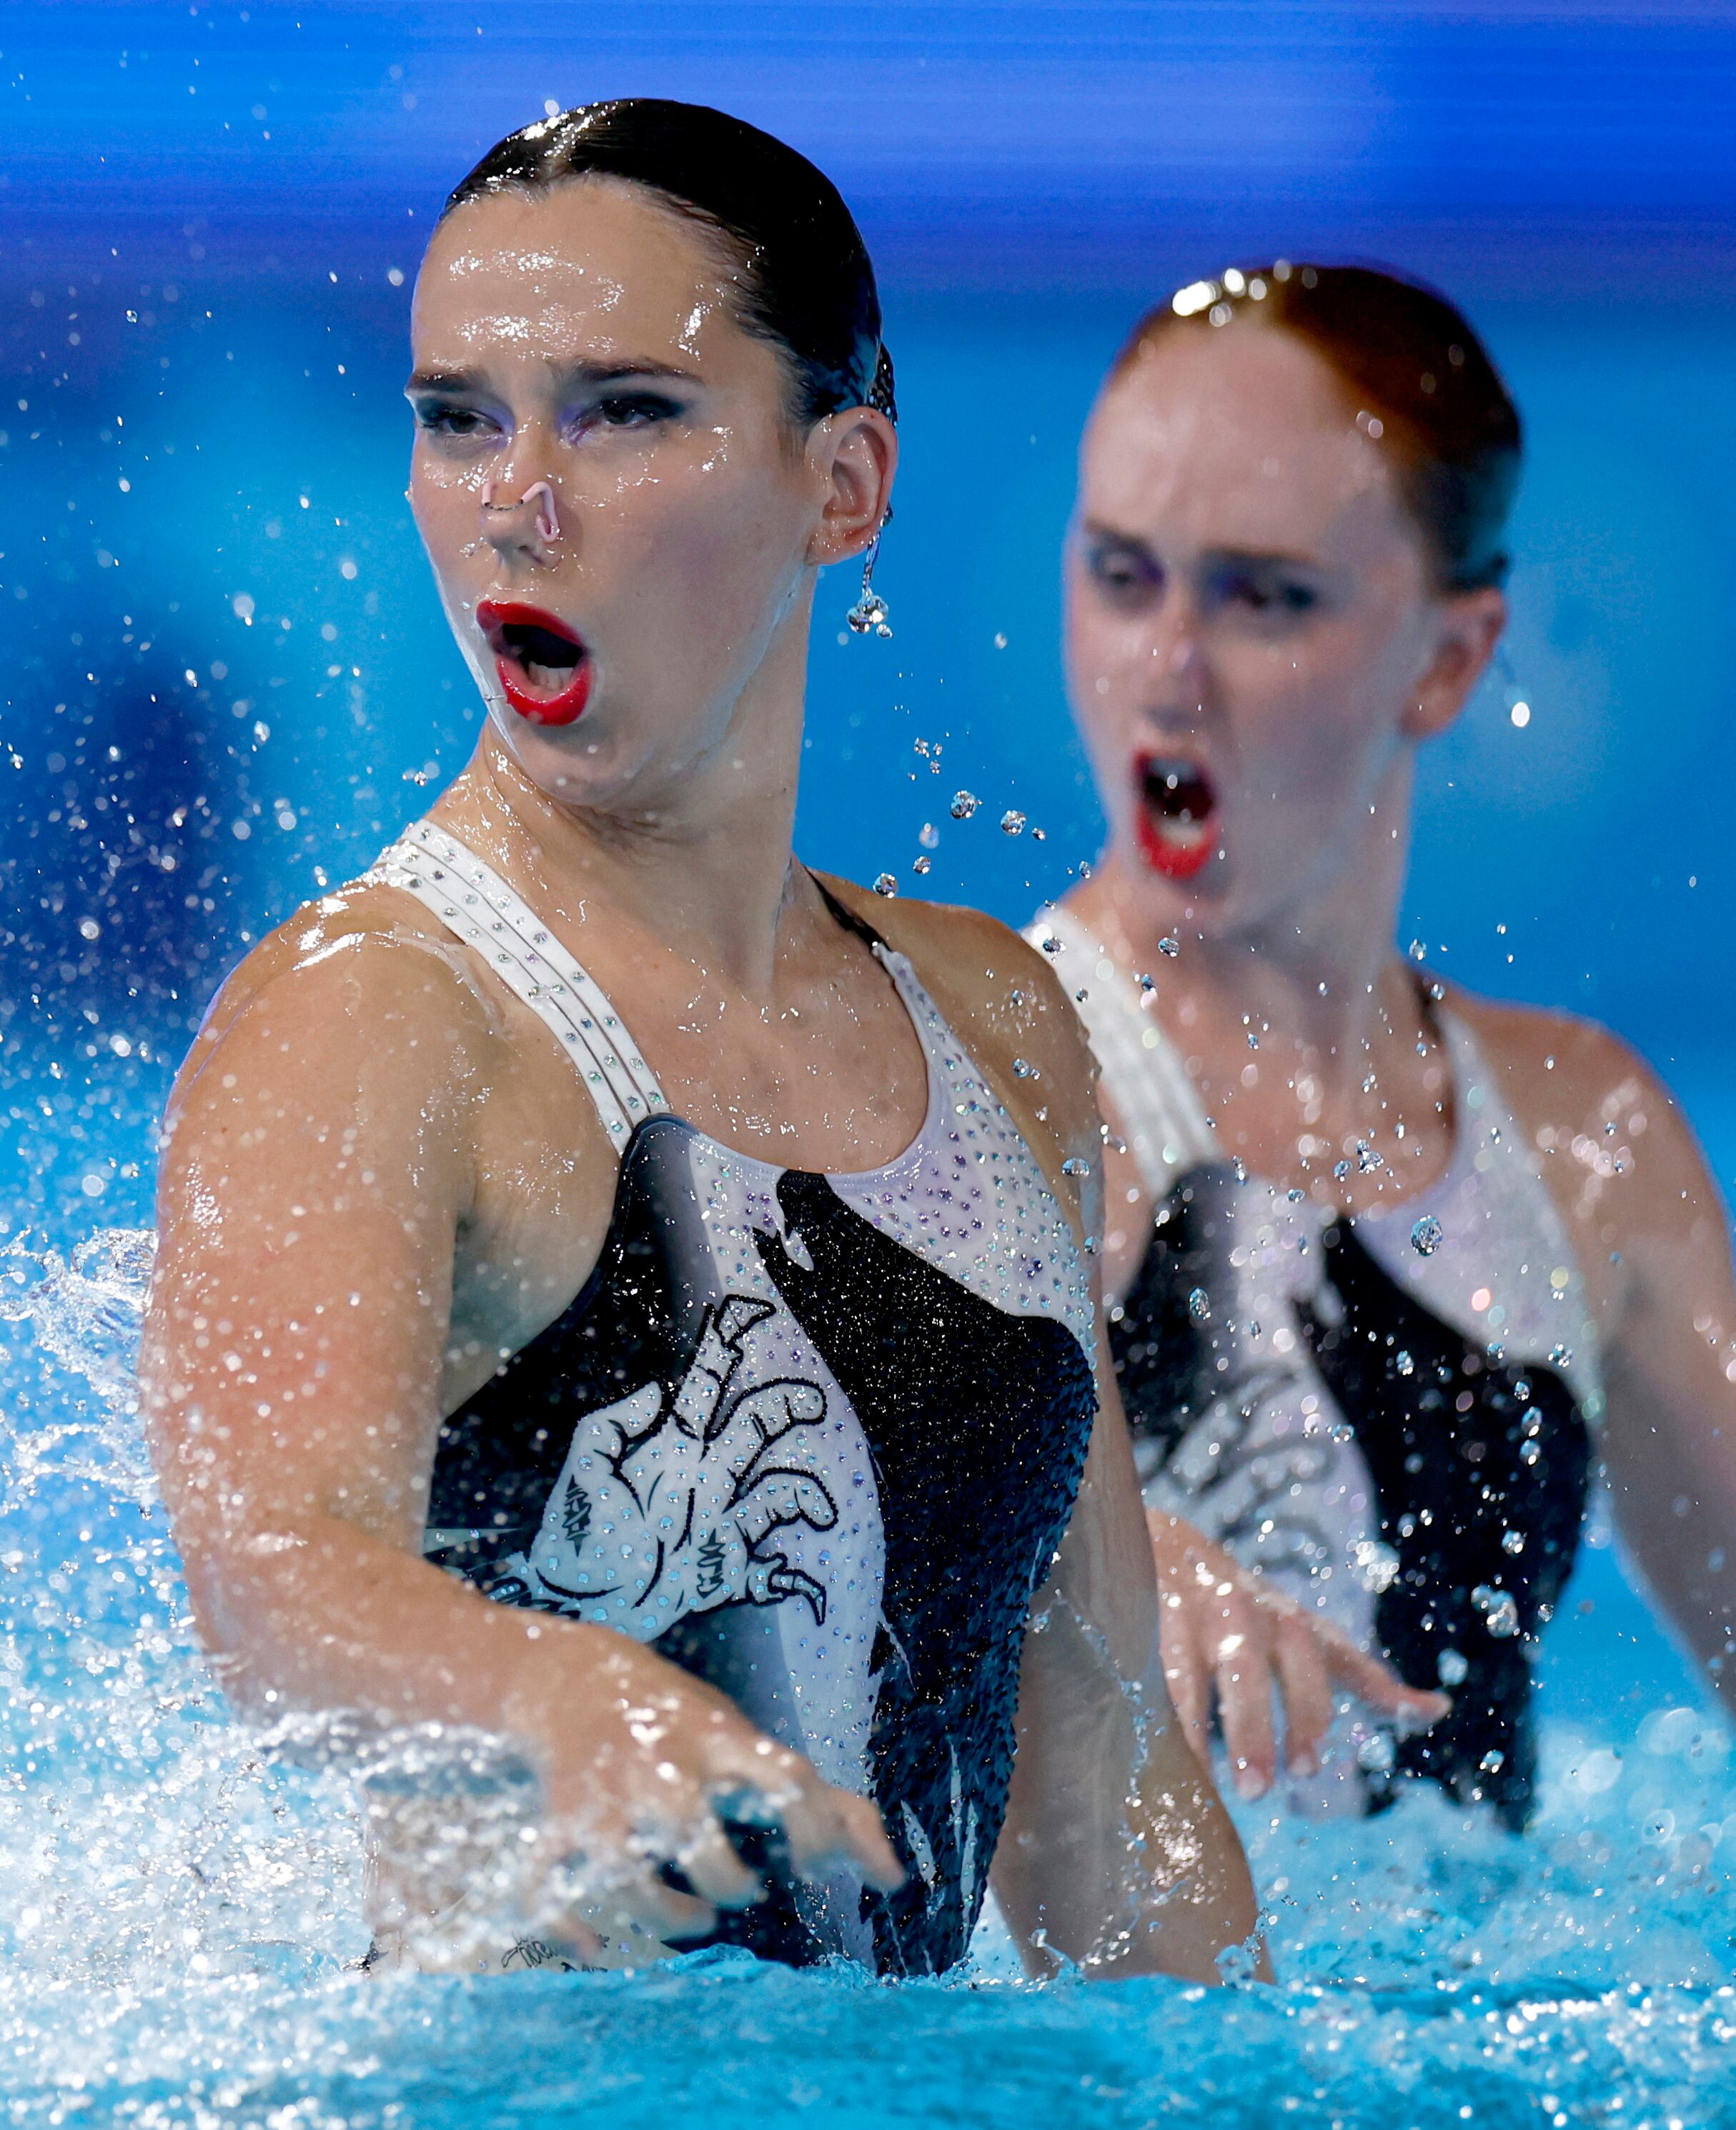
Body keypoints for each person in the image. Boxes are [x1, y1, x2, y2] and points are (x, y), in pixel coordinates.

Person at [140, 100, 1257, 1981]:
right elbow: (273, 1584)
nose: (516, 493)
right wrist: (551, 1687)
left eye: (623, 408)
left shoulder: (988, 1021)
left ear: (842, 483)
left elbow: (1097, 1765)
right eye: (457, 413)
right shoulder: (374, 1014)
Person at [1031, 262, 1736, 1828]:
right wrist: (1096, 1562)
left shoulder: (1582, 1138)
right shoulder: (980, 1084)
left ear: (1448, 656)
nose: (1169, 667)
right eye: (1123, 574)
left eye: (1263, 595)